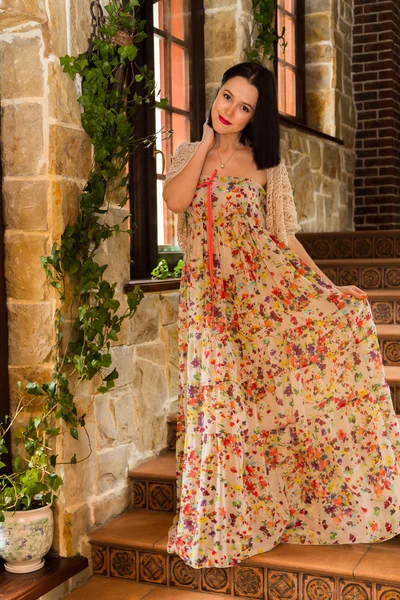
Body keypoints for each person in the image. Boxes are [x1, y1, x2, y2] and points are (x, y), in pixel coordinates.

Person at [162, 61, 400, 570]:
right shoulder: (187, 154)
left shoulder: (265, 166)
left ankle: (255, 519)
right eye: (227, 97)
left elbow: (283, 238)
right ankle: (215, 525)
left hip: (253, 302)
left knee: (244, 414)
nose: (230, 111)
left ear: (255, 116)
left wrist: (329, 288)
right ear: (217, 94)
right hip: (204, 306)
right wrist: (205, 145)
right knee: (216, 412)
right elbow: (175, 200)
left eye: (244, 107)